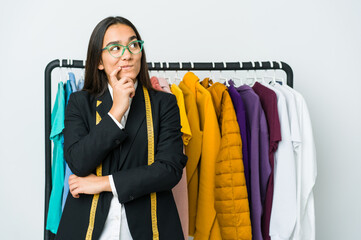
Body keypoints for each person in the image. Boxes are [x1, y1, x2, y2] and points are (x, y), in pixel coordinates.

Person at [56, 16, 187, 240]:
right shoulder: (80, 102)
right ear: (99, 61)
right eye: (115, 48)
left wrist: (103, 183)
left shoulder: (165, 104)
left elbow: (169, 170)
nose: (127, 55)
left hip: (150, 228)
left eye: (133, 45)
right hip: (87, 229)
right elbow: (78, 162)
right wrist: (116, 111)